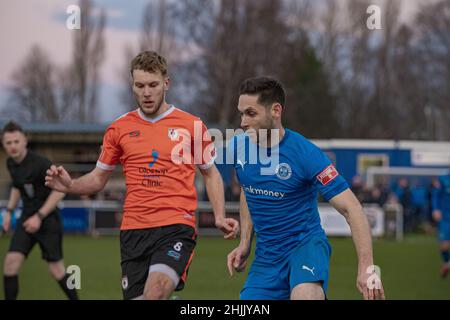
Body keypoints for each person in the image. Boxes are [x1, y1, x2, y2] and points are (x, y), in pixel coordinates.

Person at [45, 51, 239, 300]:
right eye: (140, 86)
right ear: (132, 86)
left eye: (153, 85)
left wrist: (220, 215)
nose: (146, 93)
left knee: (155, 293)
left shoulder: (191, 125)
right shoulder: (118, 129)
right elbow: (97, 178)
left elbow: (211, 174)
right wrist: (70, 185)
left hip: (175, 225)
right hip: (133, 231)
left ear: (166, 83)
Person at [226, 76, 385, 300]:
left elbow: (353, 209)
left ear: (276, 111)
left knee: (305, 296)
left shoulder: (306, 154)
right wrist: (244, 242)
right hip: (267, 257)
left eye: (251, 113)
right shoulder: (238, 147)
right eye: (241, 113)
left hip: (306, 246)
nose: (242, 122)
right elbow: (248, 190)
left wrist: (367, 269)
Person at [1, 121, 78, 300]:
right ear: (4, 145)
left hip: (48, 219)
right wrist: (9, 211)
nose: (13, 146)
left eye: (16, 141)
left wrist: (39, 216)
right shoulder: (11, 164)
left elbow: (60, 191)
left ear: (25, 141)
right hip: (26, 219)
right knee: (10, 264)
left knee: (56, 270)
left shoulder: (40, 163)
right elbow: (16, 187)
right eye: (8, 142)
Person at [431, 172, 450, 278]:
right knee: (444, 246)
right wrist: (435, 209)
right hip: (445, 218)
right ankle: (447, 263)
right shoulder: (443, 179)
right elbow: (435, 195)